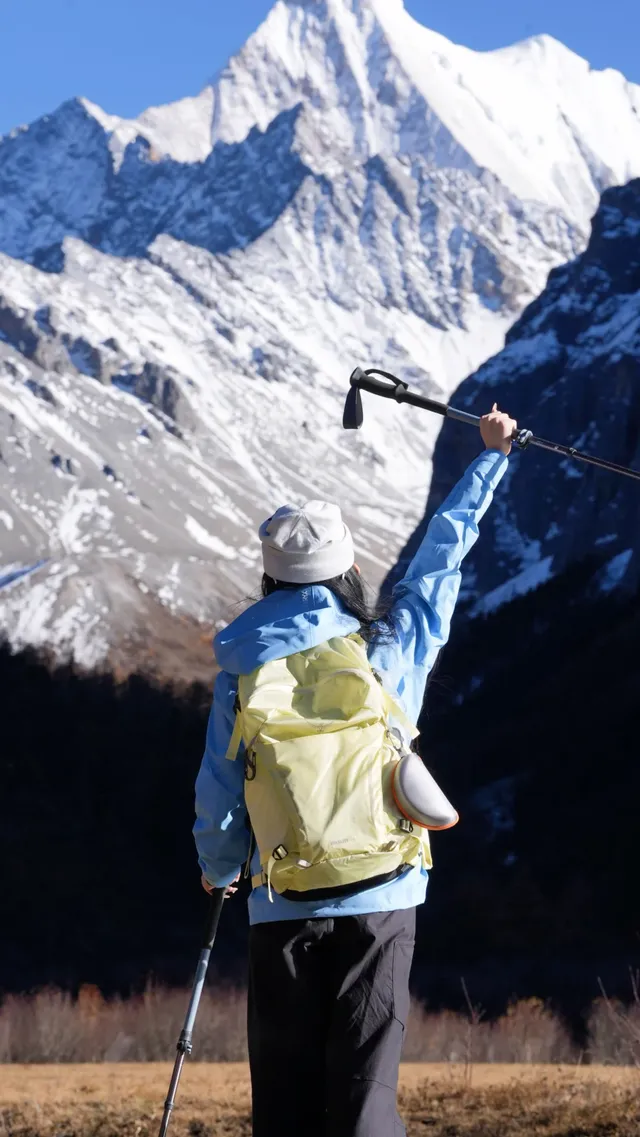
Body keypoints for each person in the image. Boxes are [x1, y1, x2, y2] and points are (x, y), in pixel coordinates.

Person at [194, 405, 516, 1137]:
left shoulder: (241, 675)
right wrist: (490, 459)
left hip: (281, 905)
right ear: (350, 573)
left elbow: (218, 795)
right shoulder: (389, 656)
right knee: (364, 1100)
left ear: (269, 579)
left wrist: (219, 867)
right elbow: (439, 565)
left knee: (286, 1102)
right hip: (382, 900)